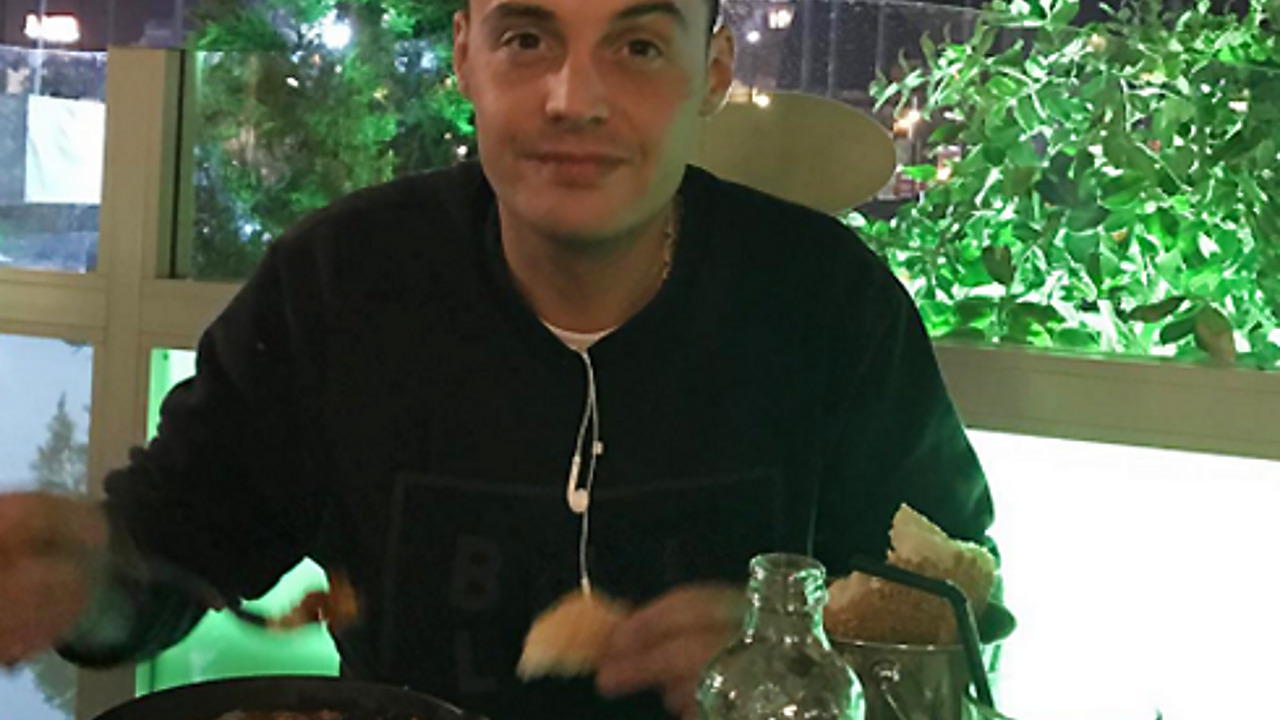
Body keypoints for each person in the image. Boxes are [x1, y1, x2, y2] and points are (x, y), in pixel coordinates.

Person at [0, 0, 995, 718]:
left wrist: (793, 662)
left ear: (713, 72)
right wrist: (81, 572)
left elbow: (948, 616)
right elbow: (172, 550)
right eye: (526, 39)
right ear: (464, 55)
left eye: (638, 45)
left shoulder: (826, 301)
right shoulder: (342, 283)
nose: (574, 98)